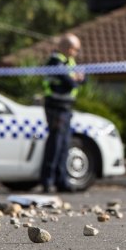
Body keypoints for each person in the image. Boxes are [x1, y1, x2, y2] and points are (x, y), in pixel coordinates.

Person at [40, 33, 85, 193]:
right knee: (55, 143)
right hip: (55, 107)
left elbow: (82, 80)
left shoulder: (69, 62)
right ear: (67, 47)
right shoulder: (55, 61)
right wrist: (76, 79)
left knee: (64, 144)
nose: (76, 53)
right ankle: (48, 181)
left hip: (66, 108)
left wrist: (79, 79)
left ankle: (61, 181)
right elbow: (69, 81)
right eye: (75, 49)